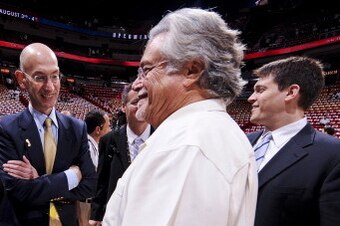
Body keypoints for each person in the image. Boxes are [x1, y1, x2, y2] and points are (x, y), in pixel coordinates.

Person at [103, 8, 257, 226]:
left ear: (191, 70)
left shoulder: (186, 147)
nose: (137, 84)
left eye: (146, 70)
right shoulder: (204, 134)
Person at [0, 43, 96, 226]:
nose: (50, 87)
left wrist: (38, 182)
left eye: (55, 76)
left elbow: (90, 185)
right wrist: (71, 177)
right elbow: (17, 190)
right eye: (40, 78)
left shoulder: (77, 128)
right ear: (21, 79)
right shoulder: (5, 128)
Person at [247, 56, 340, 226]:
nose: (251, 98)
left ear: (291, 92)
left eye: (260, 90)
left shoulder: (333, 155)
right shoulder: (243, 141)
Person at [89, 83, 152, 226]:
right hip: (117, 215)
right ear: (123, 107)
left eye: (145, 100)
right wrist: (96, 214)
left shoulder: (161, 136)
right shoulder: (108, 140)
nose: (141, 105)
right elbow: (102, 180)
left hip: (151, 213)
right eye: (135, 102)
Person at [78, 109, 111, 225]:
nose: (110, 130)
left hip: (90, 203)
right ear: (98, 130)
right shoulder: (87, 146)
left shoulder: (94, 145)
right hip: (85, 204)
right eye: (108, 126)